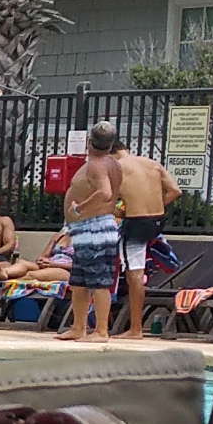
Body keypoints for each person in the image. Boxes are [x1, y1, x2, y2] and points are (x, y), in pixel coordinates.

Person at [101, 124, 184, 338]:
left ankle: (136, 328)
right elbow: (175, 191)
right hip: (157, 221)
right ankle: (135, 327)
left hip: (136, 223)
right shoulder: (152, 163)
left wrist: (120, 213)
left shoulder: (115, 168)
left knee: (134, 274)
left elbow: (106, 200)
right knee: (136, 270)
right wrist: (155, 205)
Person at [58, 123, 126, 340]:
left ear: (89, 142)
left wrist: (80, 208)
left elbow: (105, 192)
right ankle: (78, 327)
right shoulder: (113, 164)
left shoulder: (96, 165)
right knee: (79, 283)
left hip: (94, 229)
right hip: (90, 230)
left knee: (98, 282)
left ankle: (101, 330)